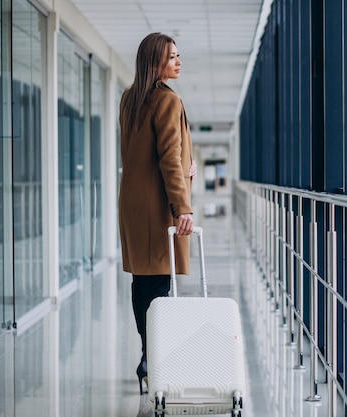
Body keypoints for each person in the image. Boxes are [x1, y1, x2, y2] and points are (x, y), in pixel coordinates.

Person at [118, 32, 196, 395]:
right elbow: (167, 156)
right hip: (159, 205)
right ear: (155, 63)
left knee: (143, 281)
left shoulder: (130, 100)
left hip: (134, 203)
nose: (179, 62)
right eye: (172, 57)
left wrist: (186, 164)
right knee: (160, 285)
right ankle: (153, 359)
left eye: (179, 56)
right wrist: (183, 207)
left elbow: (140, 155)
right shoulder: (167, 100)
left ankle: (149, 356)